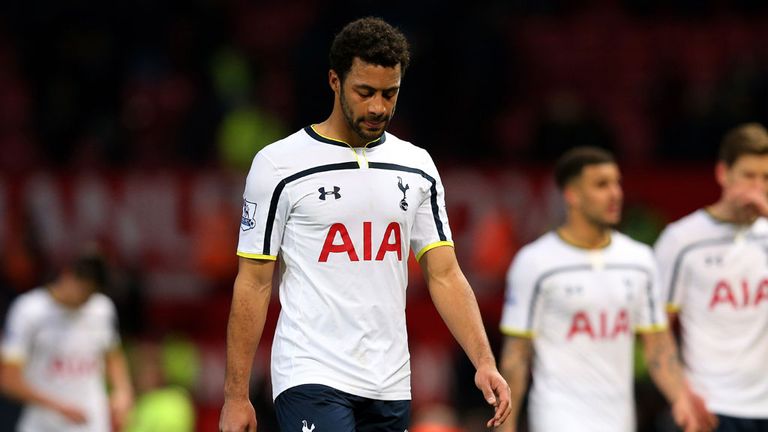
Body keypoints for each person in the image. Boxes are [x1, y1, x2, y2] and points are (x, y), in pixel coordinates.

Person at [219, 17, 511, 432]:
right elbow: (253, 281)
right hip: (310, 372)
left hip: (390, 381)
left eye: (389, 94)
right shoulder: (279, 165)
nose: (378, 107)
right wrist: (235, 394)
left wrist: (484, 361)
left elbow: (444, 273)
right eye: (365, 92)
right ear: (335, 81)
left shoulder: (417, 167)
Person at [497, 147, 716, 432]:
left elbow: (657, 345)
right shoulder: (535, 263)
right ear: (571, 195)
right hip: (557, 418)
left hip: (620, 420)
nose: (616, 193)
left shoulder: (639, 260)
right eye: (602, 185)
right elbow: (516, 356)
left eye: (617, 183)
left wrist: (681, 397)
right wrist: (506, 427)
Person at [654, 123, 768, 431]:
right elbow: (656, 328)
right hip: (711, 408)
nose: (758, 187)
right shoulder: (682, 240)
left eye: (766, 177)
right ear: (722, 173)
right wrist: (679, 395)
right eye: (748, 175)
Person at [0, 252, 134, 432]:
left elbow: (113, 355)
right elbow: (8, 380)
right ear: (67, 275)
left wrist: (122, 391)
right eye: (84, 290)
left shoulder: (102, 308)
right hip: (43, 424)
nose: (86, 299)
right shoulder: (29, 310)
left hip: (91, 423)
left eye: (92, 292)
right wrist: (58, 407)